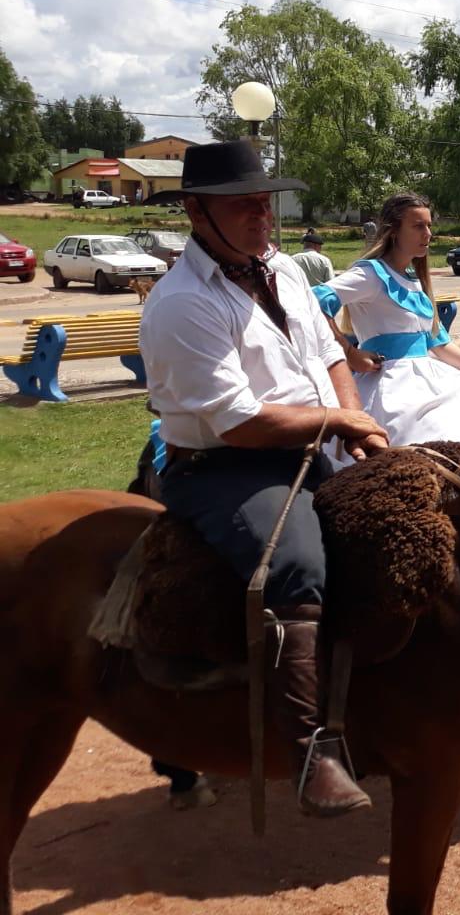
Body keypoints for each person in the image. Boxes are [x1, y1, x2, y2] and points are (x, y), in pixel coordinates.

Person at [140, 139, 387, 819]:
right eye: (242, 204)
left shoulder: (283, 270)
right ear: (195, 211)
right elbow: (237, 423)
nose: (262, 215)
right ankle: (310, 752)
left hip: (315, 440)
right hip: (226, 467)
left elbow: (330, 354)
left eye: (265, 202)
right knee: (296, 563)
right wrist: (337, 423)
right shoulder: (181, 302)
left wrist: (356, 420)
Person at [317, 192, 460, 459]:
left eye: (429, 225)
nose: (428, 233)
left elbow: (439, 343)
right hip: (391, 387)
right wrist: (350, 354)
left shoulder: (414, 281)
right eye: (418, 226)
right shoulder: (370, 274)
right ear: (393, 231)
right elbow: (312, 302)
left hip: (426, 376)